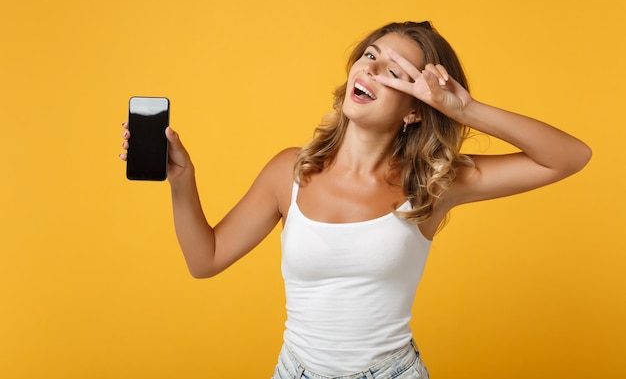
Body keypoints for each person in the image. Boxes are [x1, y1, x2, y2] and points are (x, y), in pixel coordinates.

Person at [119, 21, 591, 379]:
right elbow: (206, 259)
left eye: (394, 72)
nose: (369, 68)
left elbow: (568, 157)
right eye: (369, 55)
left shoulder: (434, 181)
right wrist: (182, 180)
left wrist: (465, 110)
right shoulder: (291, 171)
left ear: (414, 110)